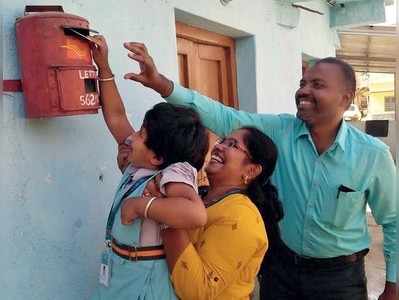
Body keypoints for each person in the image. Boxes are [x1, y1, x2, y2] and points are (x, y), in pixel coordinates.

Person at [123, 42, 397, 300]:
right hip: (281, 268)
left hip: (339, 279)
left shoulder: (372, 155)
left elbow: (393, 220)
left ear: (346, 97)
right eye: (302, 83)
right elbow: (224, 117)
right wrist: (161, 84)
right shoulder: (281, 130)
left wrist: (393, 285)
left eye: (317, 85)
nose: (303, 91)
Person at [90, 36, 209, 300]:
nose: (131, 137)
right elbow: (117, 117)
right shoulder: (138, 164)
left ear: (158, 157)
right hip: (121, 270)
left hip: (144, 282)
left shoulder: (173, 172)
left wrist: (139, 206)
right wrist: (103, 68)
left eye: (141, 135)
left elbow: (195, 214)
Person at [119, 126, 284, 299]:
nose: (219, 146)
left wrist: (167, 214)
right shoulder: (200, 195)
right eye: (223, 141)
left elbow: (198, 291)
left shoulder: (242, 217)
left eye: (233, 145)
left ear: (251, 170)